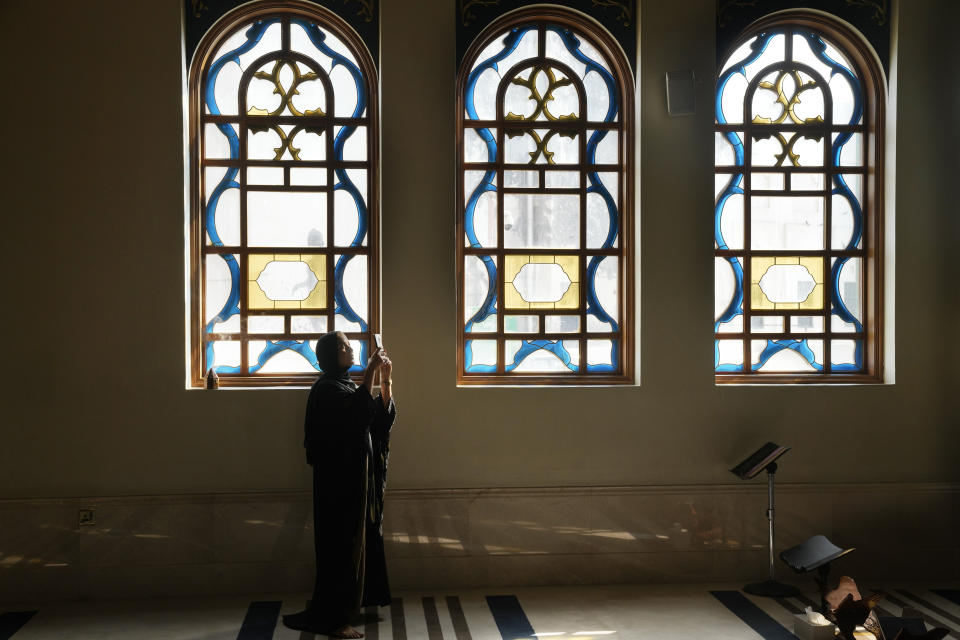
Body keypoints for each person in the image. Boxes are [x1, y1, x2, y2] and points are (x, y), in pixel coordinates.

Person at [282, 331, 396, 639]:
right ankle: (334, 619)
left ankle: (351, 606)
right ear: (333, 355)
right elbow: (358, 414)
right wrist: (370, 371)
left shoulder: (344, 386)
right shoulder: (326, 389)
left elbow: (376, 419)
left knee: (357, 544)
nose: (351, 349)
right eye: (345, 346)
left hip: (357, 482)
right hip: (338, 488)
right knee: (341, 549)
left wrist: (384, 379)